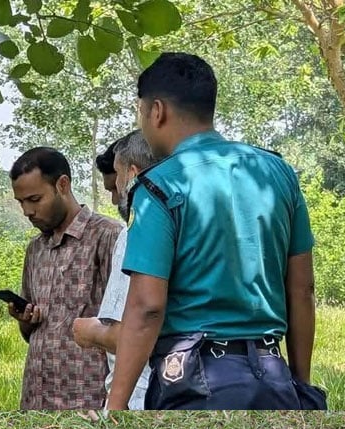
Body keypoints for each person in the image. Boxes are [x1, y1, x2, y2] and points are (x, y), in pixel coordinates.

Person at [109, 53, 324, 410]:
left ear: (156, 111)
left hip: (192, 382)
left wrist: (115, 407)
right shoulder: (279, 173)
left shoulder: (159, 186)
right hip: (272, 376)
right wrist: (300, 386)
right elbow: (302, 289)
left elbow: (147, 306)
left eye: (140, 111)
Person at [7, 147, 121, 410]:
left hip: (88, 400)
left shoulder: (109, 237)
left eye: (34, 199)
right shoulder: (36, 249)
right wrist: (25, 321)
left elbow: (127, 327)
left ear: (62, 185)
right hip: (36, 399)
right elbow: (32, 334)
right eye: (21, 202)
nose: (27, 211)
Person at [72, 131, 154, 409]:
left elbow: (133, 334)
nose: (114, 198)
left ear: (132, 174)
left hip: (141, 392)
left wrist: (91, 332)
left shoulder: (135, 233)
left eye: (117, 178)